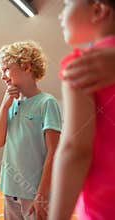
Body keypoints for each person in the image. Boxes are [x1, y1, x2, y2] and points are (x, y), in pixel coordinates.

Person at [49, 0, 115, 219]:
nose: (60, 15)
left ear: (97, 10)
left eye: (67, 4)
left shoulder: (82, 67)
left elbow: (75, 150)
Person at [0, 41, 62, 220]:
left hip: (35, 194)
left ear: (26, 66)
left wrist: (42, 193)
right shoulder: (10, 104)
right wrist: (3, 108)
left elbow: (54, 151)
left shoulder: (47, 103)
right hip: (9, 191)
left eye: (6, 69)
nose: (3, 76)